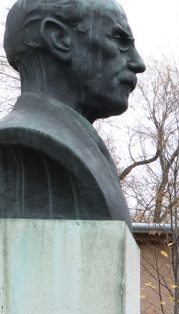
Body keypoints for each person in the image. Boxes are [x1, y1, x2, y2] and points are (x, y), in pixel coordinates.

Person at [0, 0, 146, 222]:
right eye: (119, 40)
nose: (138, 63)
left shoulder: (86, 147)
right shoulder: (17, 146)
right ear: (58, 38)